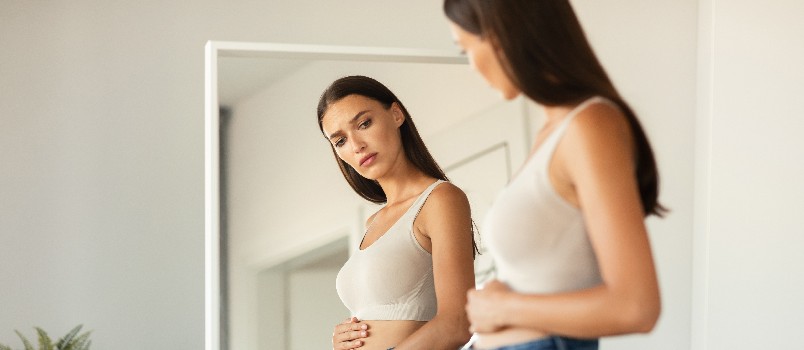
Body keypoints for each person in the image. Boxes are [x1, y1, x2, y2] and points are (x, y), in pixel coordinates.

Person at [444, 1, 664, 349]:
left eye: (466, 48)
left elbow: (636, 306)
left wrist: (504, 308)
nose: (471, 66)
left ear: (502, 35)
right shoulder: (554, 131)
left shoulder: (590, 125)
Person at [317, 75, 476, 350]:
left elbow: (458, 323)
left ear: (396, 114)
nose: (356, 145)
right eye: (340, 141)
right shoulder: (373, 222)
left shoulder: (440, 199)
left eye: (364, 124)